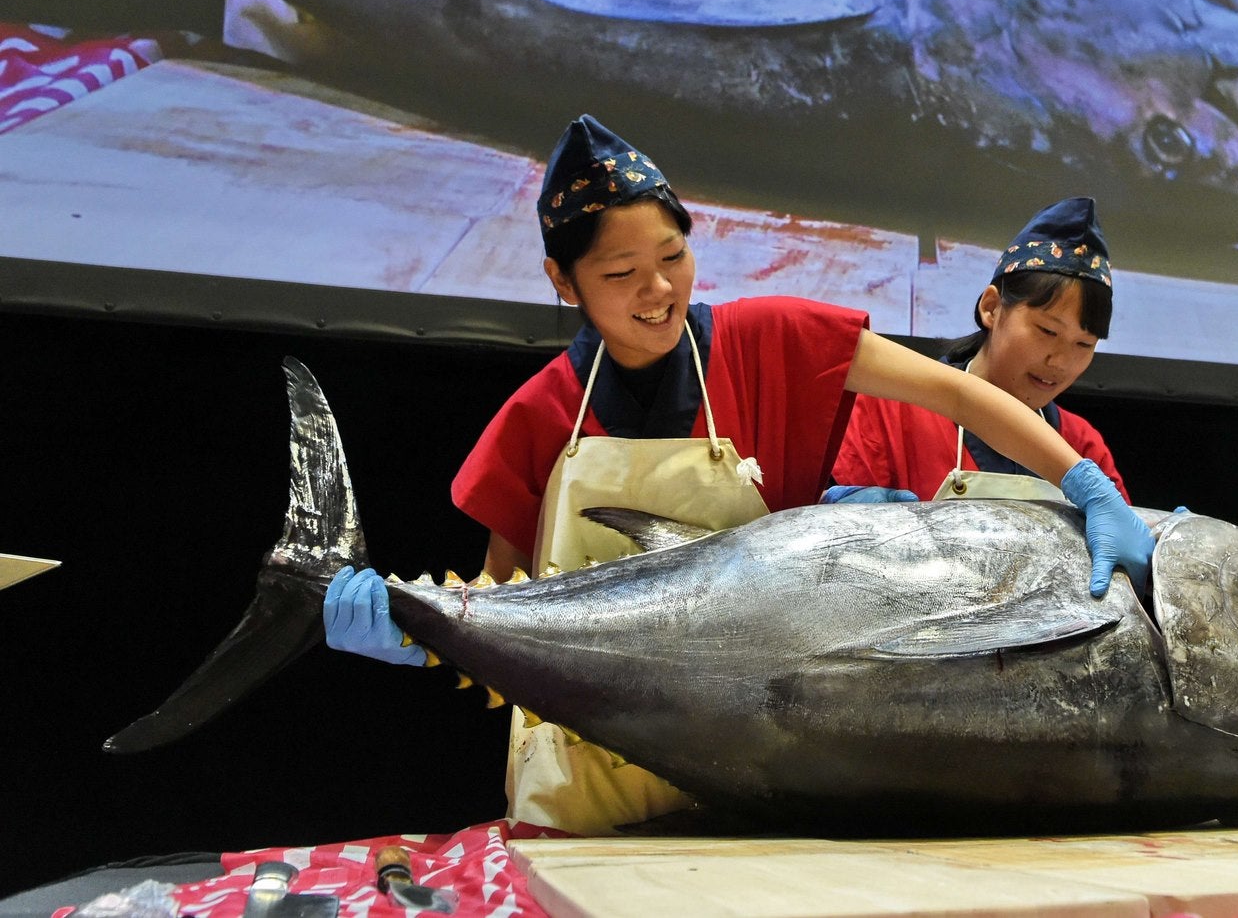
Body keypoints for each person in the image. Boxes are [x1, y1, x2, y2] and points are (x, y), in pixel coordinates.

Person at [323, 115, 1154, 835]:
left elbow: (957, 392)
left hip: (766, 767)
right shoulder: (537, 417)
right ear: (560, 279)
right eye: (620, 274)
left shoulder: (773, 342)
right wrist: (417, 636)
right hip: (582, 786)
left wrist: (1085, 482)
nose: (658, 290)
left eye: (674, 256)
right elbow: (497, 600)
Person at [829, 194, 1130, 517]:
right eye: (1047, 331)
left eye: (1084, 345)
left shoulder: (1082, 444)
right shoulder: (891, 409)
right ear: (991, 308)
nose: (1060, 362)